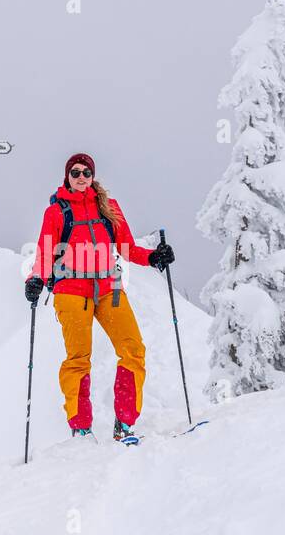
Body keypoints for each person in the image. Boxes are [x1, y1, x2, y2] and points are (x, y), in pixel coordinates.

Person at [24, 153, 174, 441]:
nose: (81, 177)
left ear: (93, 176)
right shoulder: (56, 212)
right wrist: (36, 279)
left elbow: (127, 248)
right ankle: (81, 428)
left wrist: (154, 256)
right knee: (79, 358)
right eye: (75, 172)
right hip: (71, 290)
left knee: (133, 349)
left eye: (86, 172)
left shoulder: (108, 207)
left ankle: (125, 423)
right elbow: (45, 253)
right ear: (67, 176)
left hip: (109, 287)